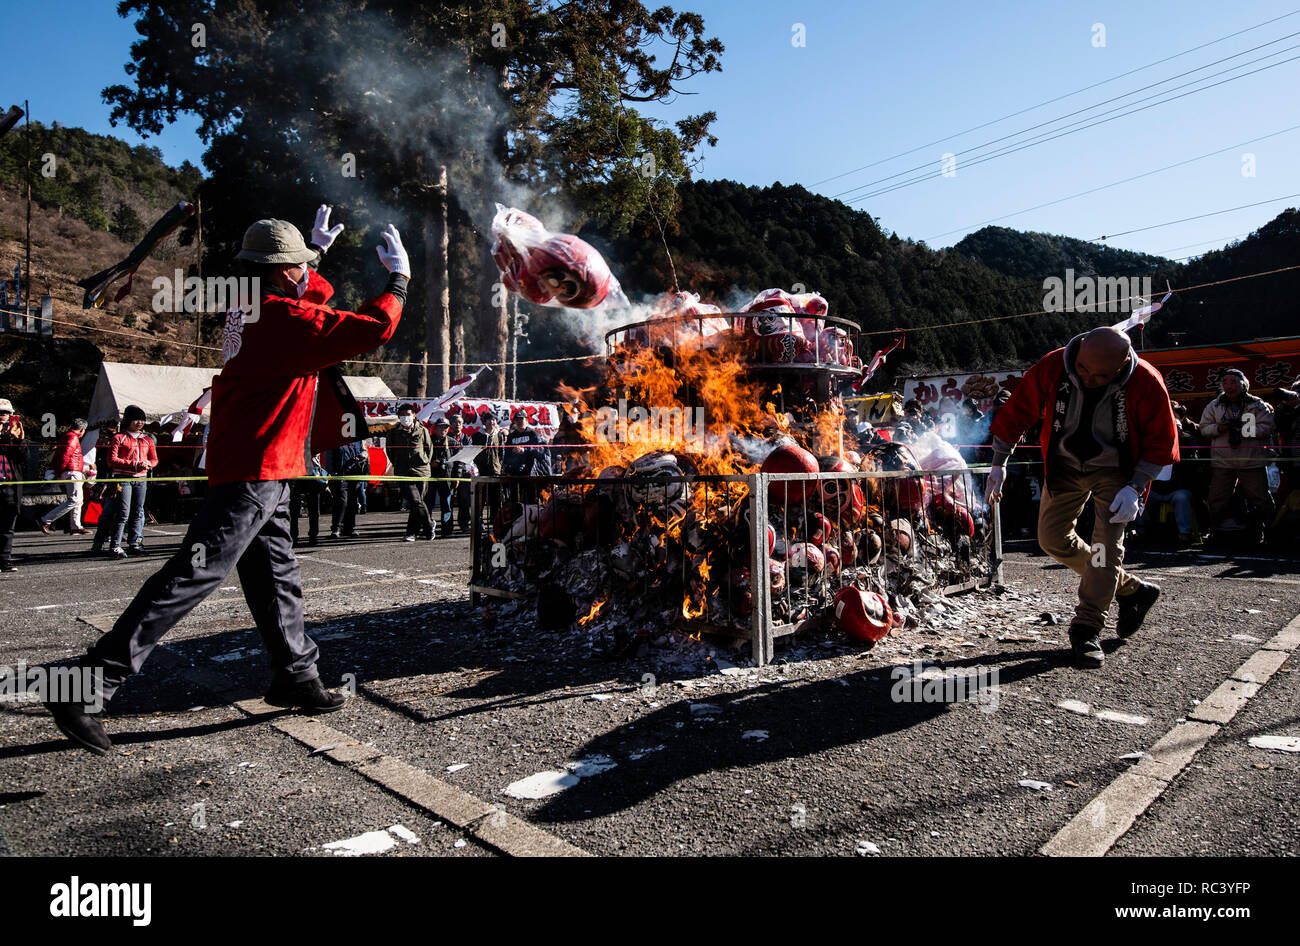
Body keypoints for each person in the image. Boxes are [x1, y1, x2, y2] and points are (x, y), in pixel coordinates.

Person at [43, 210, 409, 756]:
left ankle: (296, 674)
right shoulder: (284, 318)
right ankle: (89, 682)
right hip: (257, 463)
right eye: (301, 266)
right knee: (197, 571)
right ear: (284, 273)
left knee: (275, 570)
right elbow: (372, 328)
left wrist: (314, 249)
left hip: (261, 460)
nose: (307, 272)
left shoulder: (250, 307)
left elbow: (312, 298)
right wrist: (398, 280)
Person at [986, 327, 1177, 669]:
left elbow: (1161, 441)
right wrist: (998, 463)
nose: (1089, 379)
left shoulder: (1147, 381)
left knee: (1106, 546)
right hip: (1063, 465)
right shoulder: (1054, 365)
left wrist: (1135, 486)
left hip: (1117, 474)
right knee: (1051, 538)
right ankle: (1132, 589)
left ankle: (1087, 628)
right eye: (1084, 370)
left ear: (1121, 365)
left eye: (1100, 375)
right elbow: (1018, 409)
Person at [1199, 368, 1276, 540]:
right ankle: (1215, 531)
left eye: (1234, 382)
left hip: (1251, 460)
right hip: (1222, 461)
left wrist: (1247, 430)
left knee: (1260, 498)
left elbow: (1268, 427)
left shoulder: (1257, 405)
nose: (1229, 386)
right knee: (1217, 498)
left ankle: (1268, 532)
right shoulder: (1214, 405)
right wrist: (1219, 428)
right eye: (1225, 382)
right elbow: (1203, 428)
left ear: (1244, 384)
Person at [102, 405, 158, 558]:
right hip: (123, 478)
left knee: (138, 512)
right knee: (122, 513)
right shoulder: (119, 438)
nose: (139, 423)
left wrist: (149, 464)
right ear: (128, 420)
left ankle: (135, 543)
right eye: (136, 419)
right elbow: (111, 460)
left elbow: (154, 459)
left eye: (142, 420)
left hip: (141, 479)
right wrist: (134, 464)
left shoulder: (147, 439)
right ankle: (115, 545)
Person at [387, 404, 432, 541]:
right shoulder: (393, 433)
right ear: (399, 417)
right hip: (403, 471)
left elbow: (429, 449)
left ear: (413, 415)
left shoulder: (422, 430)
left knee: (417, 503)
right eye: (402, 415)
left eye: (408, 414)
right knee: (414, 500)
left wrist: (424, 462)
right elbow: (390, 451)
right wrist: (398, 464)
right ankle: (429, 525)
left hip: (421, 471)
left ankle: (412, 533)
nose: (405, 418)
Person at [41, 419, 91, 536]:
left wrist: (59, 470)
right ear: (82, 429)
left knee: (78, 500)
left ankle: (75, 526)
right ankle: (46, 520)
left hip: (70, 470)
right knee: (74, 500)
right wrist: (59, 470)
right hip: (72, 471)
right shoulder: (73, 437)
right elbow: (66, 455)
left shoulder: (67, 436)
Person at [0, 398, 25, 573]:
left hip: (10, 484)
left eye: (7, 412)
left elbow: (23, 459)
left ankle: (4, 559)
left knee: (8, 525)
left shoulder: (14, 432)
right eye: (0, 412)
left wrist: (18, 441)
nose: (3, 415)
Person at [327, 439, 367, 538]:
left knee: (352, 502)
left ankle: (349, 528)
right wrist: (331, 473)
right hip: (340, 475)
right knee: (341, 502)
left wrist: (362, 456)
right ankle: (336, 528)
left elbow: (364, 451)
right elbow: (329, 456)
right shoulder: (336, 438)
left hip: (354, 474)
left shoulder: (358, 439)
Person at [289, 453, 327, 547]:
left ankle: (313, 535)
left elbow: (317, 454)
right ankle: (293, 535)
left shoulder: (312, 441)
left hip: (311, 473)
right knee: (294, 508)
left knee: (314, 508)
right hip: (295, 471)